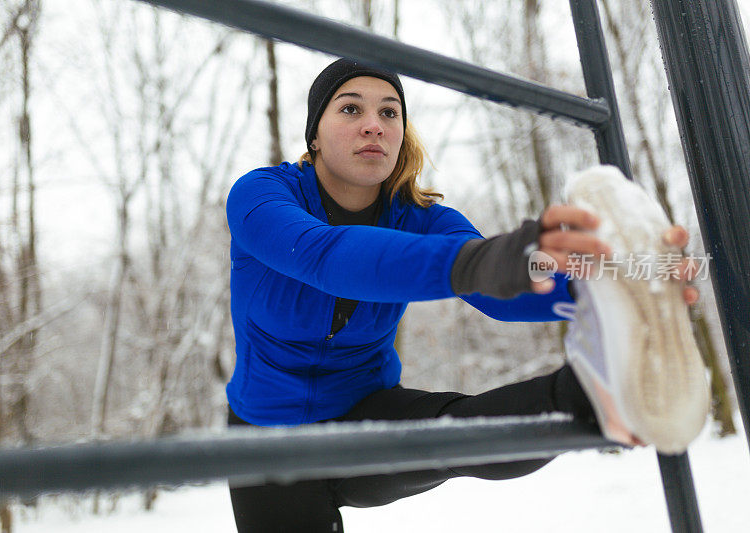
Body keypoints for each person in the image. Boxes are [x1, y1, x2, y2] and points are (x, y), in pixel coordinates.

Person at [224, 58, 702, 532]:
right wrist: (486, 261)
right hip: (268, 437)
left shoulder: (421, 216)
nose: (374, 125)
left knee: (464, 433)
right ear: (314, 133)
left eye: (390, 113)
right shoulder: (263, 197)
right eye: (351, 110)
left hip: (364, 412)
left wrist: (605, 277)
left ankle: (601, 391)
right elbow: (326, 257)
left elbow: (500, 283)